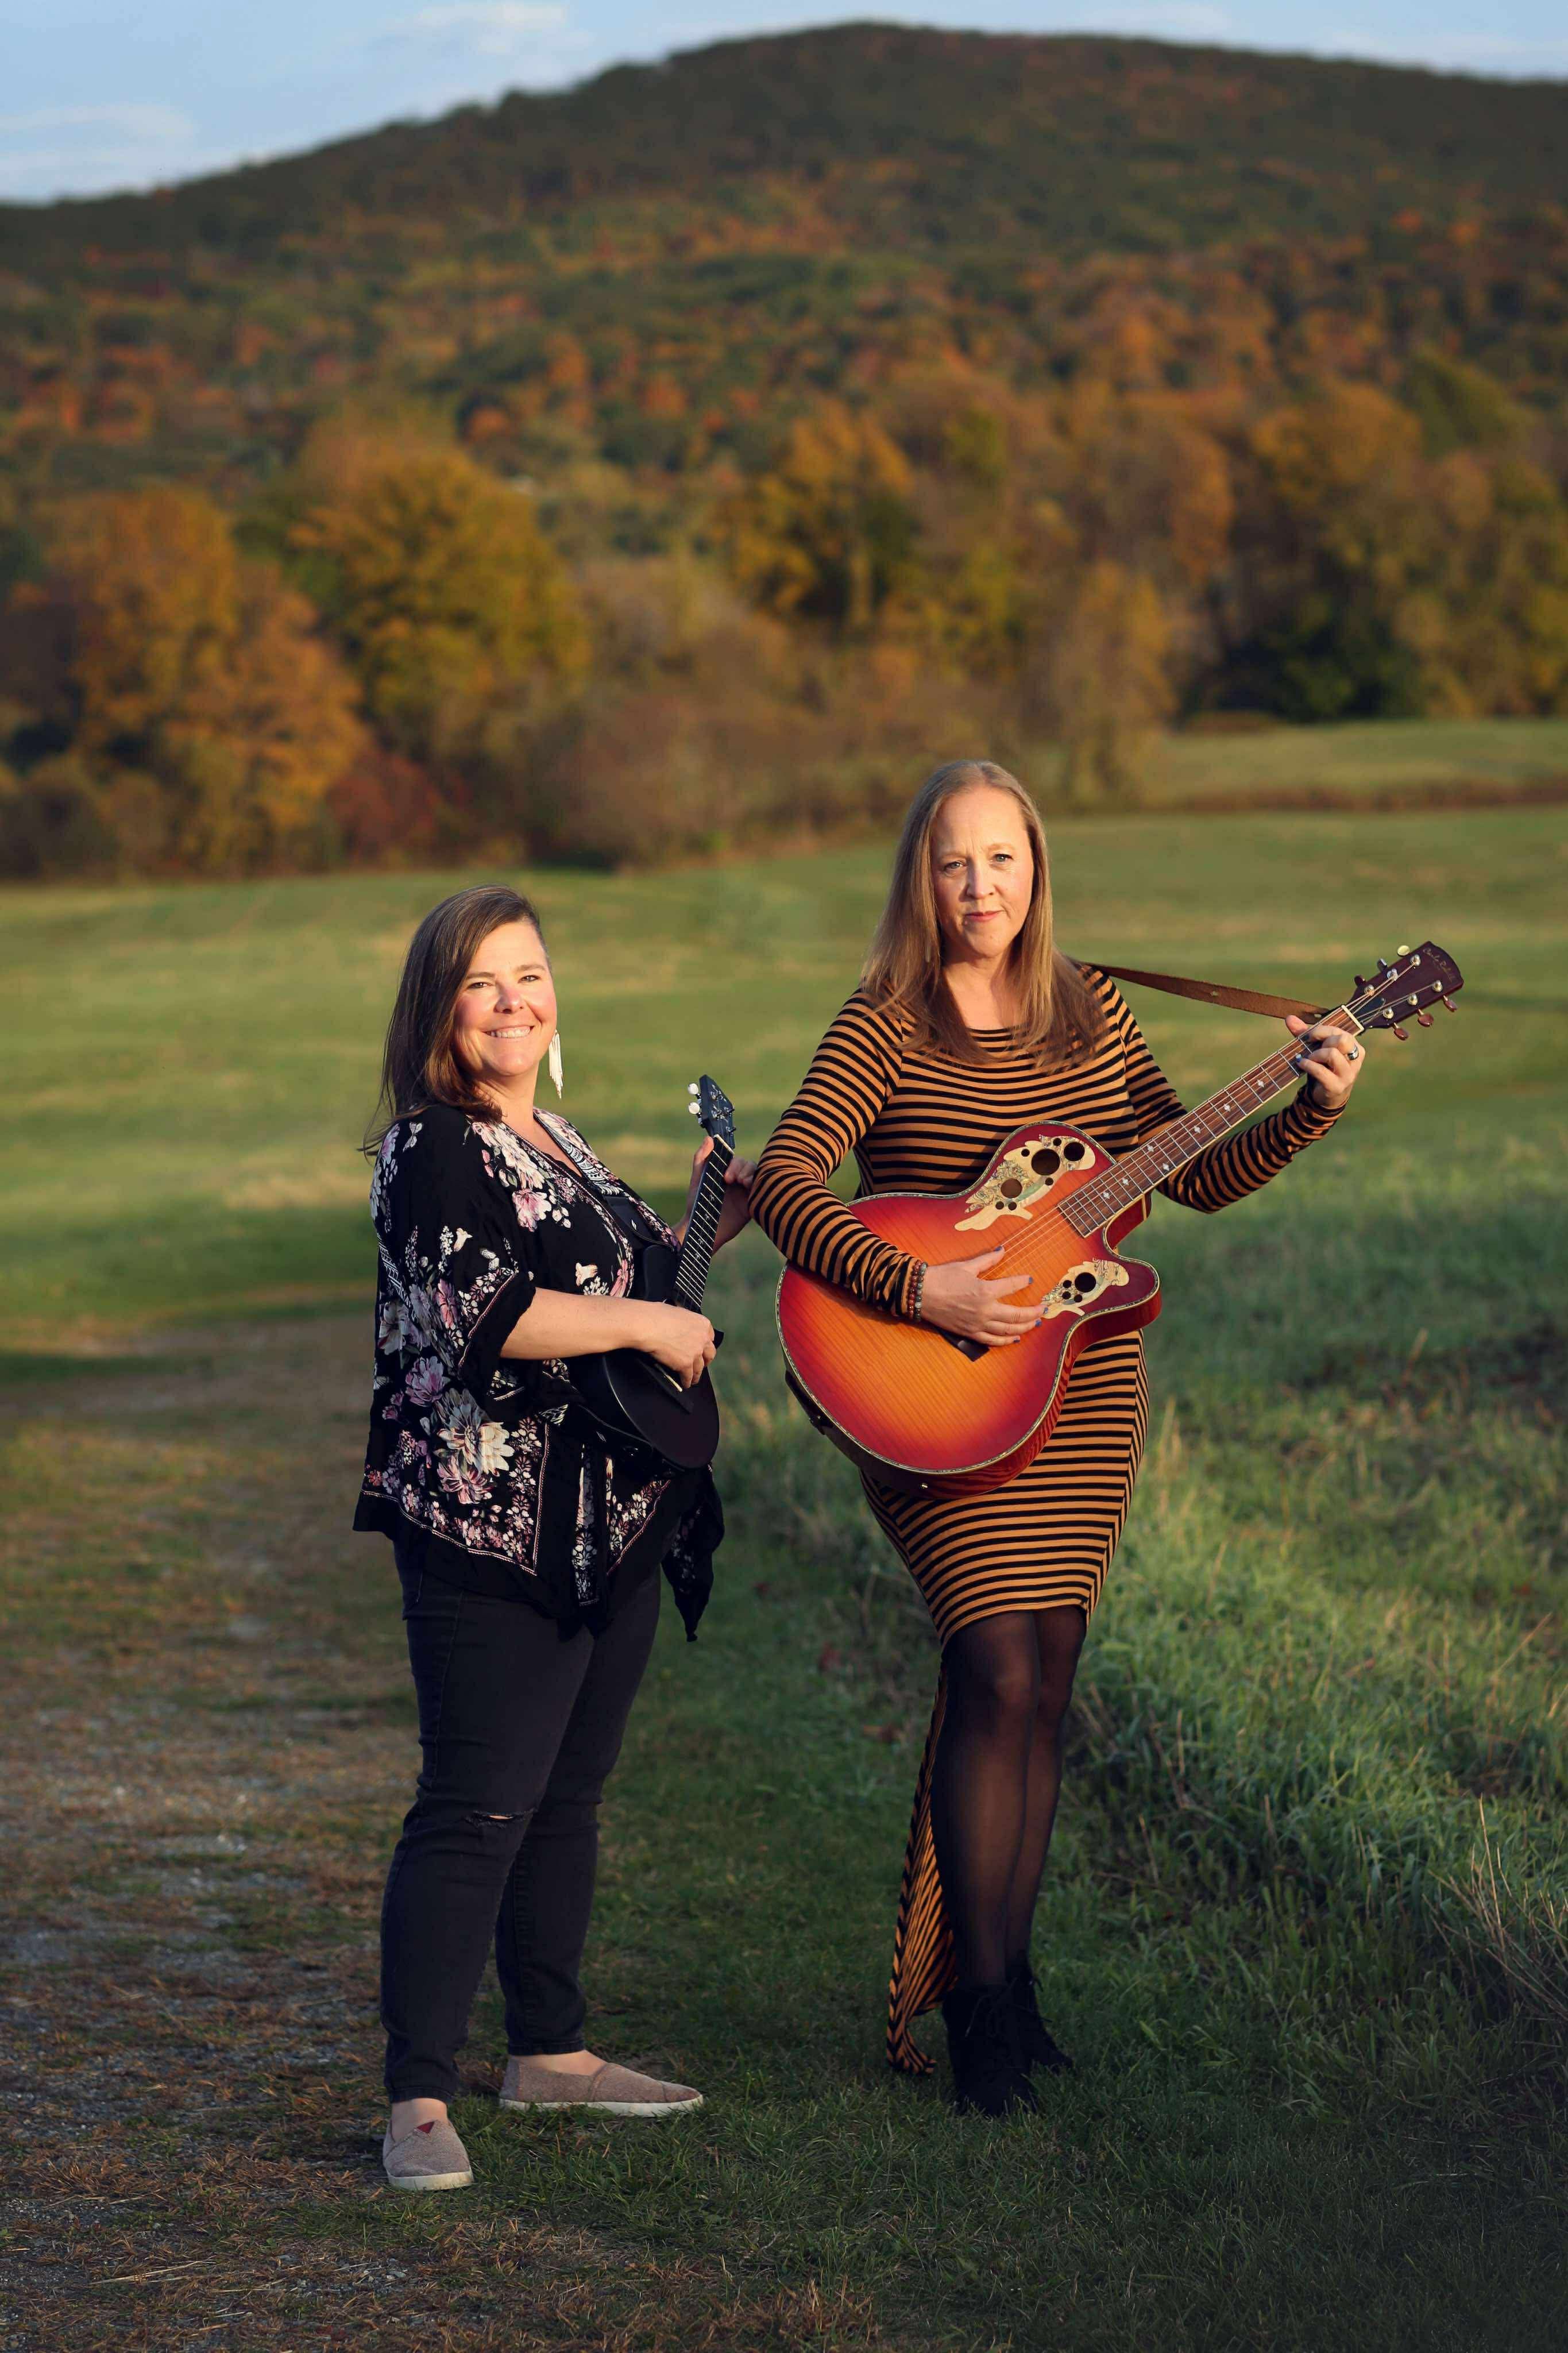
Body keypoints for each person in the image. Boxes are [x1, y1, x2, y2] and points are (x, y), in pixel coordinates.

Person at [748, 761, 1366, 2116]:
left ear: (1038, 867)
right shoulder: (884, 1020)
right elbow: (786, 1182)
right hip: (927, 1381)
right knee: (991, 1661)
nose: (981, 886)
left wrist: (1308, 1107)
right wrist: (925, 1287)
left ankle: (1016, 1990)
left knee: (1047, 1677)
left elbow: (1190, 1173)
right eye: (955, 861)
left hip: (1079, 1388)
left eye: (1003, 858)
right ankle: (973, 2011)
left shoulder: (1095, 1009)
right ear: (922, 877)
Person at [356, 883, 754, 2190]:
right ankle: (418, 2095)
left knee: (567, 1797)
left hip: (604, 1527)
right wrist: (647, 1322)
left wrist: (713, 1220)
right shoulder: (433, 1149)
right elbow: (488, 1314)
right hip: (487, 1530)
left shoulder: (561, 1141)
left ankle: (550, 2053)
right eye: (483, 981)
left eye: (528, 974)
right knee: (476, 1804)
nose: (513, 1001)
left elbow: (636, 1289)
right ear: (440, 1008)